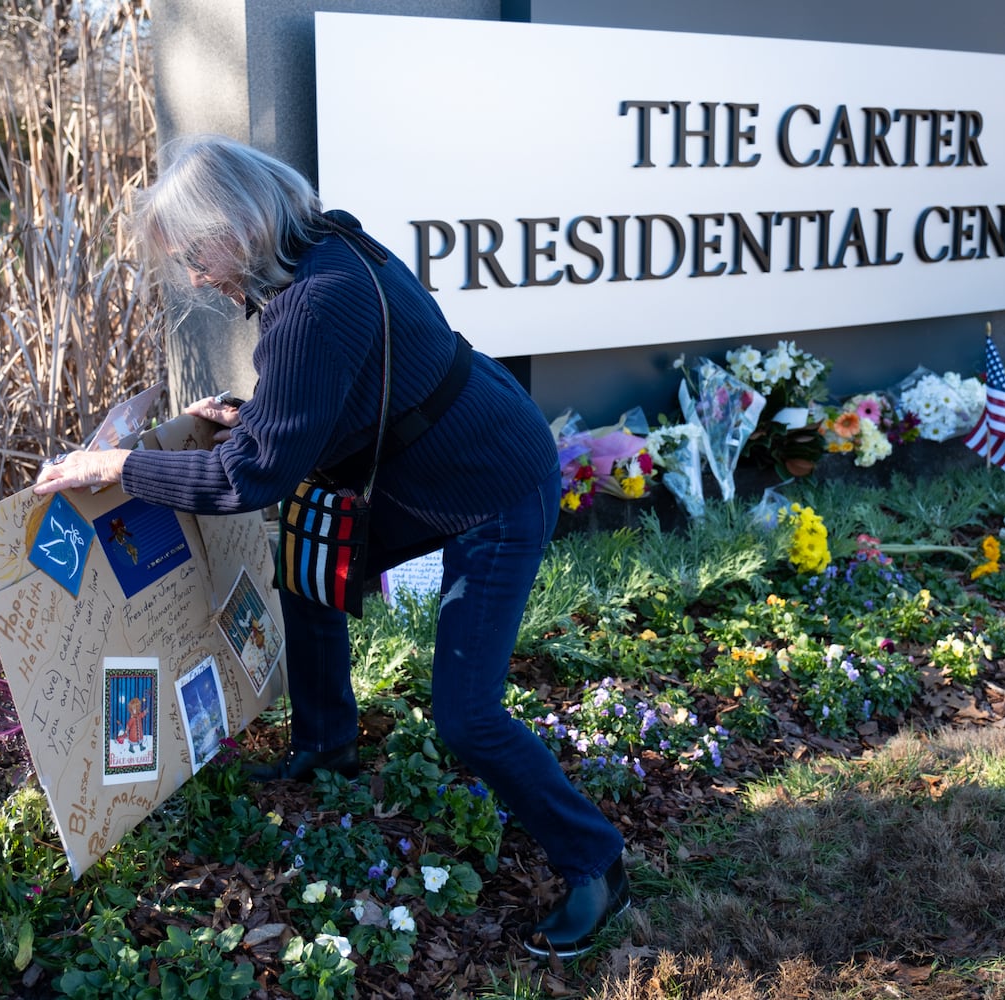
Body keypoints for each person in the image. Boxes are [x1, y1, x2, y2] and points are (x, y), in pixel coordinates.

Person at [33, 134, 628, 957]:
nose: (199, 277)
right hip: (435, 461)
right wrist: (264, 413)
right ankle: (326, 747)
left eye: (196, 256)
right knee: (311, 573)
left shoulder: (315, 300)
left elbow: (250, 483)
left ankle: (596, 861)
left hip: (491, 488)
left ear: (237, 226)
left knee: (466, 716)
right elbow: (347, 381)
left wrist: (120, 467)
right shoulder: (328, 243)